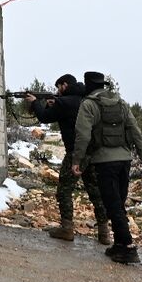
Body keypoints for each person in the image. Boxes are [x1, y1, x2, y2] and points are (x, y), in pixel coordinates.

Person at [71, 71, 142, 264]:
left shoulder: (88, 104)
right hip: (124, 160)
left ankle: (128, 247)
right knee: (118, 203)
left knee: (112, 204)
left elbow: (83, 135)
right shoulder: (121, 103)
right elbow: (134, 130)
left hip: (103, 161)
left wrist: (77, 161)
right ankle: (119, 245)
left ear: (88, 85)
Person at [26, 74, 111, 244]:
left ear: (64, 85)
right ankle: (104, 233)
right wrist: (53, 104)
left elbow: (44, 117)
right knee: (95, 192)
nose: (58, 91)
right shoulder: (85, 99)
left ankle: (67, 229)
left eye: (59, 87)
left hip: (76, 153)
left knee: (64, 190)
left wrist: (35, 102)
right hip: (92, 152)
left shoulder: (65, 102)